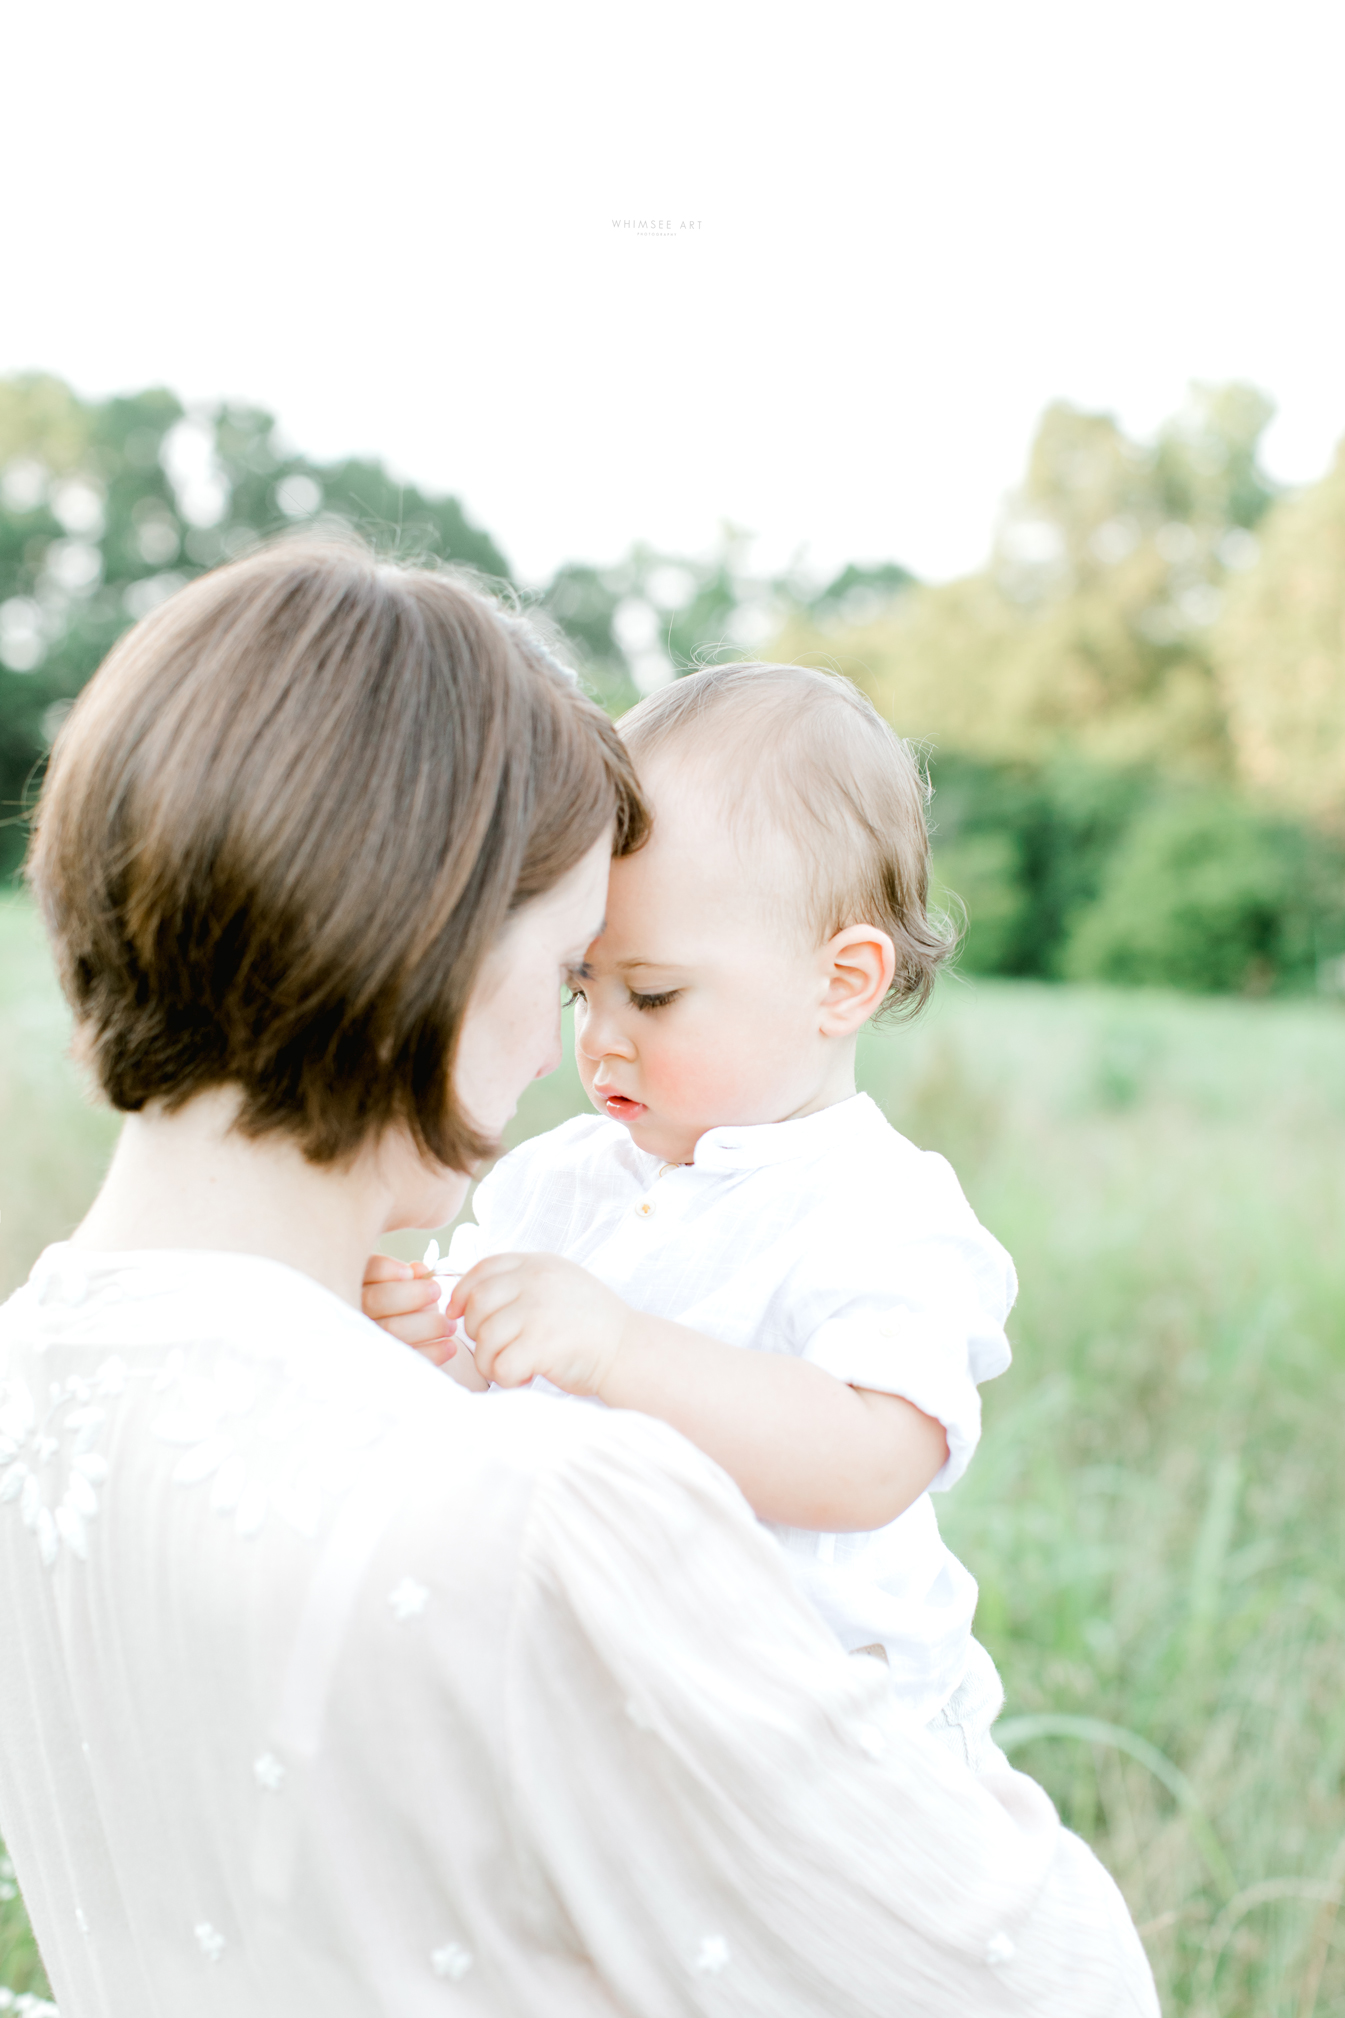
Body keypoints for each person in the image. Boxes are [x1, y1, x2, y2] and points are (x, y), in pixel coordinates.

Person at [0, 541, 1158, 2015]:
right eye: (564, 972)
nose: (571, 1047)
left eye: (638, 989)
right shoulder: (548, 1506)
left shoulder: (38, 1383)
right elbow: (1061, 1980)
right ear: (422, 947)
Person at [367, 662, 1014, 1772]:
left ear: (843, 982)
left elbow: (869, 1464)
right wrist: (439, 1341)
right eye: (582, 986)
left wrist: (619, 1345)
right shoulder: (557, 1179)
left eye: (653, 993)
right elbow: (499, 1393)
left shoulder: (878, 1207)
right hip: (620, 1715)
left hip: (832, 1748)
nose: (600, 1038)